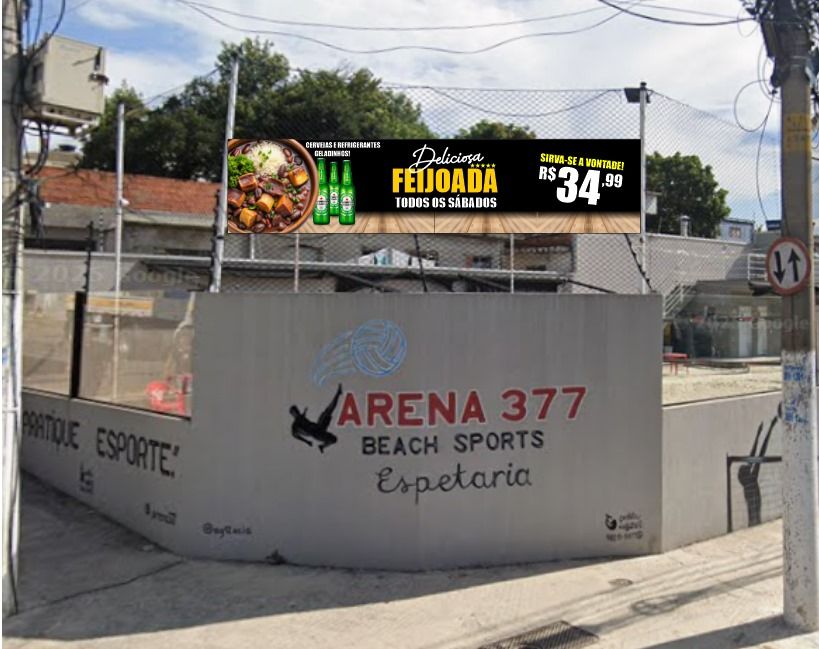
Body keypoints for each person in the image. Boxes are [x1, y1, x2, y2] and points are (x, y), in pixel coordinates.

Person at [737, 404, 779, 527]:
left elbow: (754, 455)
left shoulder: (749, 481)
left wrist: (759, 434)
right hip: (754, 520)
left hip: (754, 518)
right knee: (754, 523)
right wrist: (770, 428)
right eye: (746, 468)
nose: (748, 467)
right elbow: (760, 453)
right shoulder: (751, 481)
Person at [290, 384, 343, 453]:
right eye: (296, 412)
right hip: (317, 434)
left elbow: (302, 416)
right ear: (293, 414)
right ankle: (322, 446)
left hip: (319, 426)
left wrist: (305, 412)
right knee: (333, 439)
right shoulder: (295, 426)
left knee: (329, 410)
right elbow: (296, 435)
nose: (298, 412)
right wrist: (307, 442)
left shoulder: (301, 417)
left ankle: (338, 393)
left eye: (297, 410)